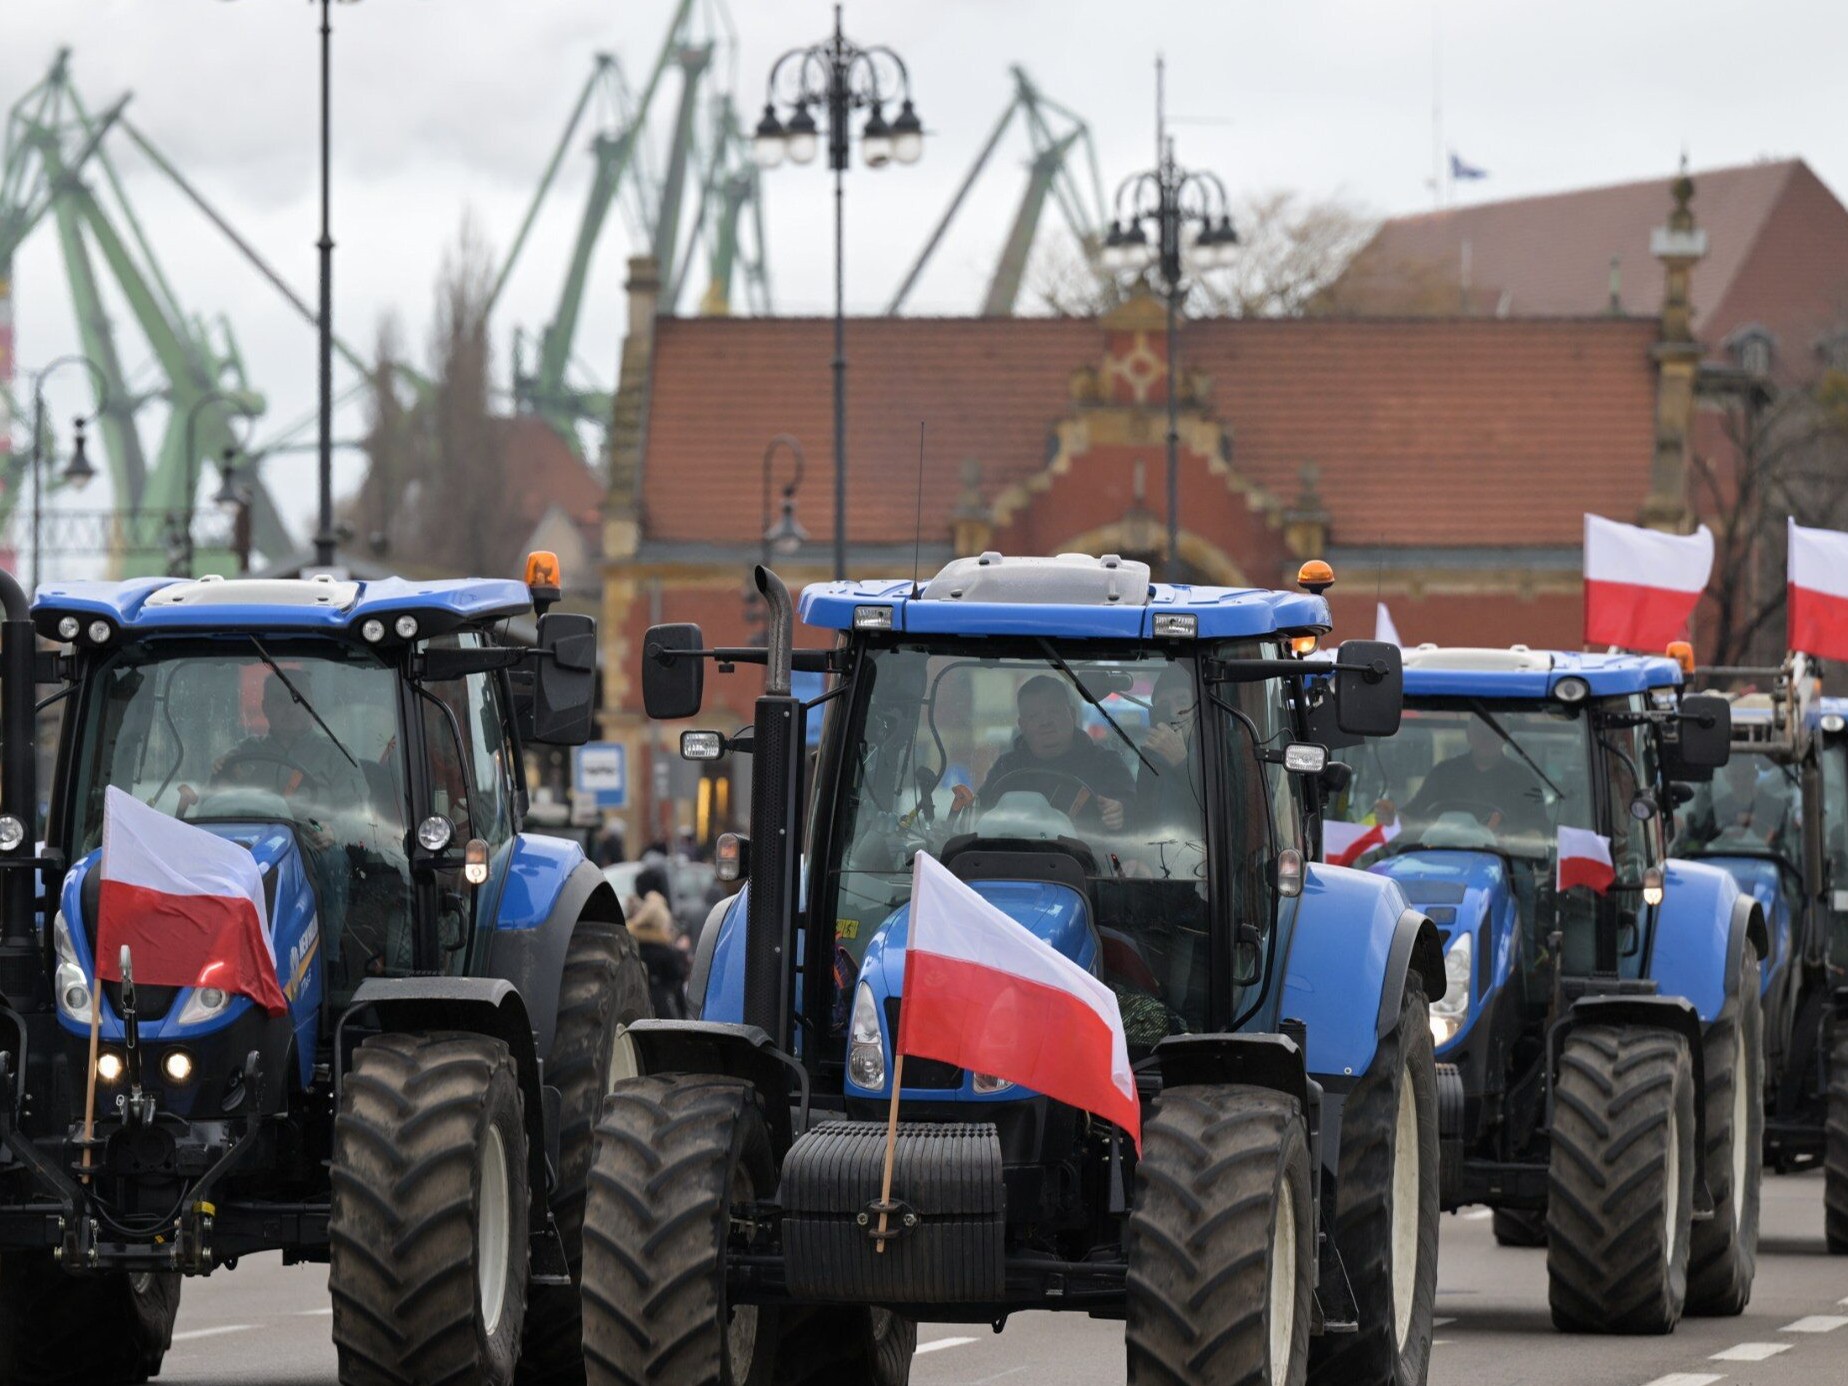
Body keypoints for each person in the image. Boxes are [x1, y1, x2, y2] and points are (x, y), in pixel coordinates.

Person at [955, 674, 1135, 830]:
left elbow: (1140, 816)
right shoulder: (1006, 768)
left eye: (1054, 712)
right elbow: (981, 819)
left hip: (1090, 866)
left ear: (1072, 715)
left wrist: (1122, 810)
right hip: (1010, 863)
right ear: (1022, 725)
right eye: (1034, 716)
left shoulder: (1105, 764)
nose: (1045, 722)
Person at [1378, 714, 1547, 841]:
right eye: (1480, 730)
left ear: (1504, 737)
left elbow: (1539, 831)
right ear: (1469, 735)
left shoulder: (1523, 779)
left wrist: (1509, 840)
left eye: (1493, 731)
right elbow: (1413, 815)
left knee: (1524, 884)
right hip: (1441, 856)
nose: (1486, 737)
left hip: (1506, 863)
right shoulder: (1444, 773)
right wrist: (1391, 815)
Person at [625, 866, 689, 1018]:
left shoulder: (632, 950)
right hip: (663, 1005)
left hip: (641, 1007)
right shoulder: (667, 952)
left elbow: (634, 926)